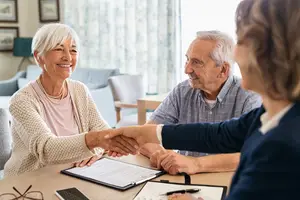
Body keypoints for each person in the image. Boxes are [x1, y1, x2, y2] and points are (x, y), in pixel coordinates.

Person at [105, 0, 300, 199]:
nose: (236, 54)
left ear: (272, 53)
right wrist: (145, 133)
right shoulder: (271, 115)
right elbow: (218, 134)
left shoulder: (282, 148)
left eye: (241, 40)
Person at [3, 23, 138, 177]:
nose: (68, 57)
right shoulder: (21, 101)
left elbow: (104, 133)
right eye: (59, 49)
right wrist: (94, 142)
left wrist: (96, 150)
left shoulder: (79, 90)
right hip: (27, 182)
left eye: (73, 50)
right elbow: (46, 150)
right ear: (38, 57)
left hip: (71, 175)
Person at [140, 30, 261, 174]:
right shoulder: (182, 90)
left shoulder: (249, 96)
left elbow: (254, 152)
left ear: (223, 69)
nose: (186, 69)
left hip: (226, 181)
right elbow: (146, 134)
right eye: (187, 60)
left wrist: (196, 164)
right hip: (182, 179)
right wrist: (160, 154)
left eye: (196, 62)